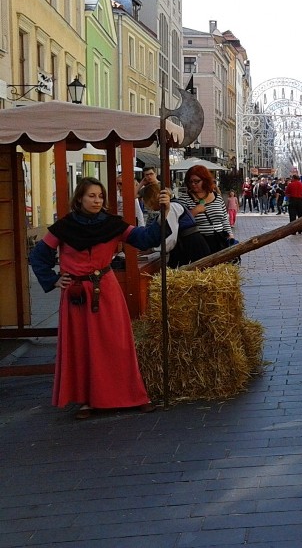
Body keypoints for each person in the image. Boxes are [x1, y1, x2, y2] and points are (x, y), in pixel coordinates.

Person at [28, 177, 167, 419]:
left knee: (118, 344)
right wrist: (53, 280)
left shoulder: (112, 225)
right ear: (79, 198)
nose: (96, 200)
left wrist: (162, 214)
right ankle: (87, 401)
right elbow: (39, 255)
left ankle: (134, 396)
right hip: (76, 296)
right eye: (91, 195)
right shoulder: (64, 227)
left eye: (100, 196)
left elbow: (145, 238)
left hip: (107, 291)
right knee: (82, 348)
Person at [177, 165, 234, 255]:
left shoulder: (217, 197)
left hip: (219, 241)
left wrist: (230, 235)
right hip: (199, 245)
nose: (193, 184)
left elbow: (224, 219)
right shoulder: (184, 199)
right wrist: (194, 211)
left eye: (196, 181)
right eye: (190, 181)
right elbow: (179, 222)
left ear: (205, 180)